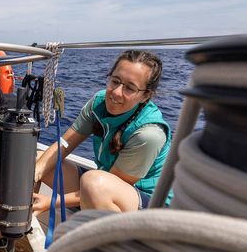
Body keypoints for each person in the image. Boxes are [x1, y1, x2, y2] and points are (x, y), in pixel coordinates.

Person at [33, 50, 171, 213]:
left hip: (150, 208)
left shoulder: (149, 134)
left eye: (130, 88)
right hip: (102, 187)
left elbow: (107, 186)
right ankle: (16, 226)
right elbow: (65, 144)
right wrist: (35, 173)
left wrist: (49, 202)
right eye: (115, 81)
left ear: (145, 96)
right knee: (40, 159)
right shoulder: (99, 102)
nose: (117, 92)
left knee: (94, 183)